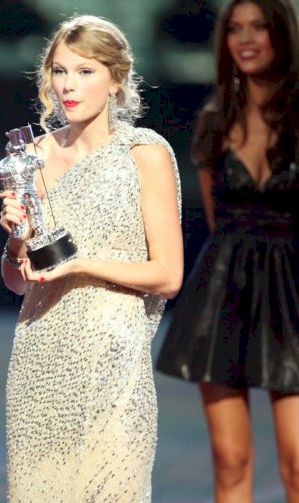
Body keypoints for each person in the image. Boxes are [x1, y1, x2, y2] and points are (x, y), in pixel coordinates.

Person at [0, 15, 183, 502]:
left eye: (85, 71)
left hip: (115, 362)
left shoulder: (145, 154)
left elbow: (167, 275)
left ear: (116, 78)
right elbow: (19, 282)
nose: (68, 86)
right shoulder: (32, 156)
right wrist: (16, 239)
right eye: (59, 72)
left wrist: (80, 265)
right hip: (40, 358)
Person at [155, 1, 299, 501]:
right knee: (231, 460)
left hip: (295, 293)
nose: (247, 38)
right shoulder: (214, 120)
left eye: (259, 26)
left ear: (282, 34)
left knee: (298, 461)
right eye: (236, 28)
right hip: (226, 293)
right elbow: (219, 223)